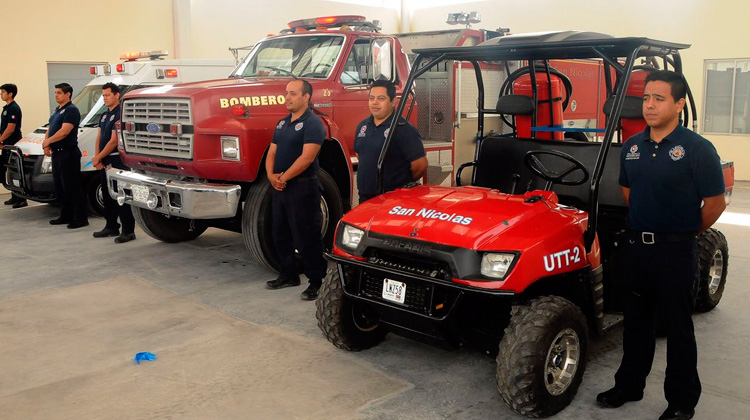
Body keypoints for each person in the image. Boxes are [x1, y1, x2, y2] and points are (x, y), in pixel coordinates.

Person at [597, 70, 726, 420]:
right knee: (636, 322)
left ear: (679, 103)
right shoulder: (633, 147)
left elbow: (714, 203)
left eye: (659, 98)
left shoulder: (697, 149)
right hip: (638, 248)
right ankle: (629, 385)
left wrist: (682, 231)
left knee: (677, 328)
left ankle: (682, 403)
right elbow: (628, 191)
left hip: (675, 252)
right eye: (646, 98)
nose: (650, 105)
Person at [264, 79, 327, 301]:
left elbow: (307, 157)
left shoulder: (313, 123)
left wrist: (283, 178)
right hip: (281, 188)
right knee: (280, 234)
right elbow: (272, 152)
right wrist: (271, 176)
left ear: (306, 97)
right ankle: (289, 274)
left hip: (303, 188)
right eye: (286, 93)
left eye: (292, 93)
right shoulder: (282, 123)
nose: (287, 97)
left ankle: (317, 281)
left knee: (306, 236)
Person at [354, 79, 427, 203]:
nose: (375, 102)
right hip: (366, 199)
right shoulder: (362, 126)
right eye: (372, 98)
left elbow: (420, 165)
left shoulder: (404, 129)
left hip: (393, 201)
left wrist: (400, 183)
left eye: (381, 98)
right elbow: (360, 155)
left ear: (393, 101)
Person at [90, 83, 135, 244]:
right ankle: (111, 226)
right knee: (108, 196)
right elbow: (99, 137)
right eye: (103, 96)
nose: (105, 98)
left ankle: (128, 230)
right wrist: (98, 158)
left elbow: (113, 141)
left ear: (117, 95)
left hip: (116, 160)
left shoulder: (119, 114)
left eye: (107, 95)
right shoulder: (103, 115)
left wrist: (99, 157)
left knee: (120, 196)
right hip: (104, 160)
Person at [42, 82, 88, 228]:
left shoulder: (71, 110)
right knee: (60, 187)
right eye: (55, 92)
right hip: (57, 154)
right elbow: (50, 128)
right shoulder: (57, 110)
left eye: (59, 92)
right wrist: (46, 144)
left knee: (71, 186)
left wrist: (48, 141)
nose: (55, 95)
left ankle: (81, 218)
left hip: (68, 153)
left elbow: (64, 131)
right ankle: (65, 215)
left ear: (67, 94)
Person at [0, 83, 27, 208]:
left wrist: (0, 140)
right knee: (9, 170)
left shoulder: (14, 108)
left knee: (15, 170)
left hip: (13, 143)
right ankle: (14, 196)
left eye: (3, 92)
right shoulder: (6, 108)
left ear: (10, 94)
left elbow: (10, 129)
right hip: (7, 144)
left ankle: (21, 199)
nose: (1, 94)